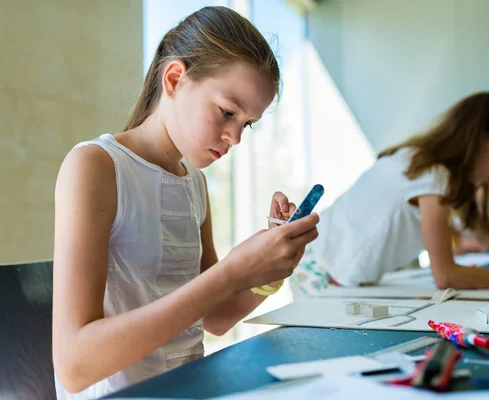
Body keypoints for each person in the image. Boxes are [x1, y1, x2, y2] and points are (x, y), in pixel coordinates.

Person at [52, 6, 319, 399]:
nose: (236, 137)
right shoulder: (96, 166)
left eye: (247, 123)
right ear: (175, 78)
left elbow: (214, 317)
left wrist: (270, 271)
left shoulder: (193, 182)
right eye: (228, 111)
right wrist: (230, 272)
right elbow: (74, 366)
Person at [290, 92, 489, 296]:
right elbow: (446, 276)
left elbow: (486, 235)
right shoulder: (433, 174)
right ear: (477, 139)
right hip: (321, 278)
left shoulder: (429, 166)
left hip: (331, 272)